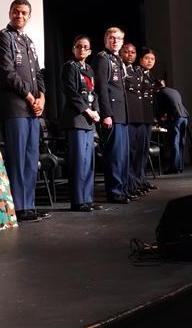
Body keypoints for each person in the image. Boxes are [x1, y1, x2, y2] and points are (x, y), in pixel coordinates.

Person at [0, 0, 48, 222]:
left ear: (29, 16)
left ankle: (29, 205)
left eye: (24, 13)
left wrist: (42, 97)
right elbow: (7, 72)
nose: (20, 16)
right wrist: (30, 97)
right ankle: (18, 206)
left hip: (33, 109)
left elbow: (38, 73)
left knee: (31, 158)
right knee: (17, 159)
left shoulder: (29, 41)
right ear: (10, 12)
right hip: (15, 107)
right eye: (16, 12)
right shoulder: (2, 38)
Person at [60, 35, 102, 212]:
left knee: (89, 162)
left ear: (90, 51)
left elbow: (94, 93)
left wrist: (97, 111)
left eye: (86, 47)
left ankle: (87, 198)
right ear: (73, 49)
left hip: (89, 119)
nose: (82, 50)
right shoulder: (70, 67)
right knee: (79, 161)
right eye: (79, 47)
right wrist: (88, 111)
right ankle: (78, 201)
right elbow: (71, 92)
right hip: (77, 118)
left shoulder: (90, 69)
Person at [92, 27, 130, 204]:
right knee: (114, 155)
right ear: (106, 39)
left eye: (118, 38)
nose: (115, 41)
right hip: (112, 115)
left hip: (122, 115)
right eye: (111, 38)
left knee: (122, 155)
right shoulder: (102, 59)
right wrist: (106, 114)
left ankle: (122, 188)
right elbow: (101, 89)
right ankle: (114, 191)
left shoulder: (117, 59)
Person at [120, 43, 149, 197]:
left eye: (133, 52)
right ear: (121, 53)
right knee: (129, 154)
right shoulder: (119, 69)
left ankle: (137, 182)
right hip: (128, 118)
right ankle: (130, 184)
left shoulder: (136, 71)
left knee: (139, 153)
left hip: (140, 118)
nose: (130, 55)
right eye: (126, 52)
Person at [155, 79, 190, 174]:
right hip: (185, 116)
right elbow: (174, 104)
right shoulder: (174, 91)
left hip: (176, 118)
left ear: (156, 86)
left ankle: (174, 168)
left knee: (174, 143)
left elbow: (161, 108)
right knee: (181, 143)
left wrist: (158, 118)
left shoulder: (160, 93)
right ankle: (180, 167)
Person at [138, 47, 159, 189]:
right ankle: (136, 181)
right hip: (138, 117)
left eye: (152, 59)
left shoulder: (150, 76)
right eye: (147, 58)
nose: (150, 61)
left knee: (144, 150)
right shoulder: (136, 73)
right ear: (140, 59)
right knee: (138, 151)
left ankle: (142, 179)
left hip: (147, 117)